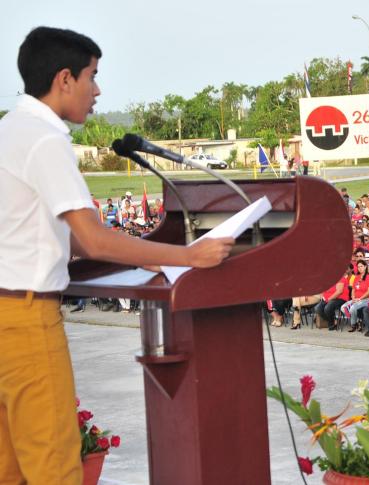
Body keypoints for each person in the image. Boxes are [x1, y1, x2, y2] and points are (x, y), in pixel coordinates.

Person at [0, 27, 235, 485]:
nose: (98, 90)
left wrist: (141, 255)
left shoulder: (10, 128)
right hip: (26, 321)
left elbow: (39, 230)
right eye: (93, 75)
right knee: (54, 468)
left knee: (11, 468)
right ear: (65, 78)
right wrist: (191, 255)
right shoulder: (47, 139)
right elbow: (91, 240)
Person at [339, 260, 369, 332]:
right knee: (343, 307)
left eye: (361, 266)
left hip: (366, 299)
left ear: (365, 267)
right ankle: (358, 321)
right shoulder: (356, 277)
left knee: (352, 309)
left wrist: (360, 298)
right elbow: (353, 290)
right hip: (356, 299)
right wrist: (353, 297)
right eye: (358, 267)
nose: (360, 268)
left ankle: (353, 324)